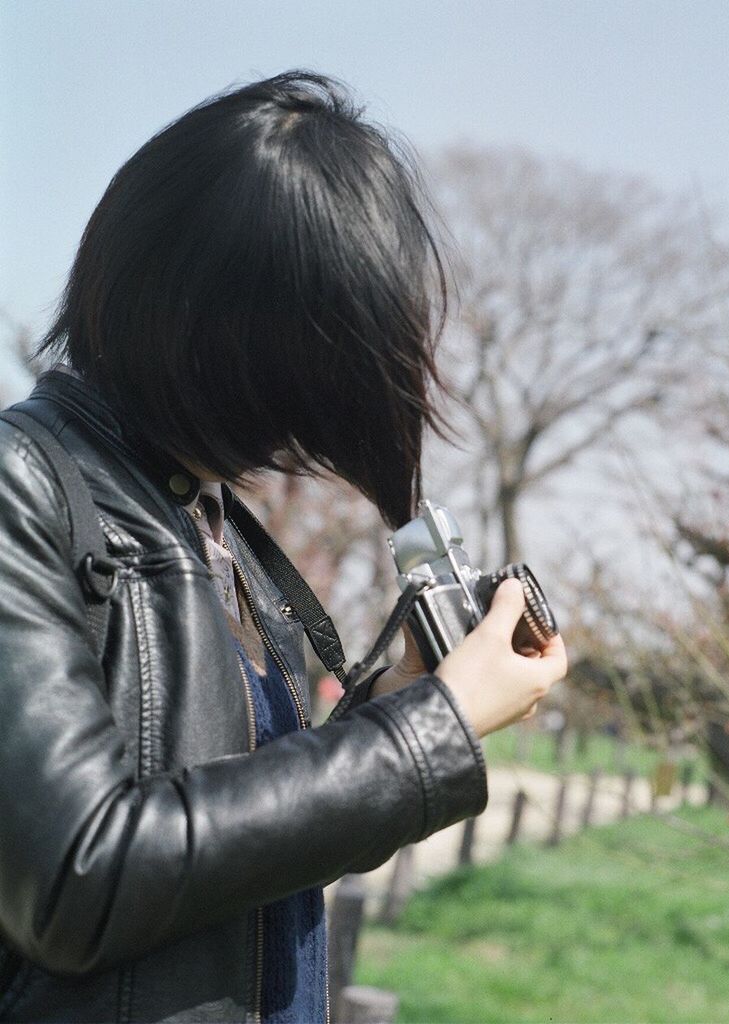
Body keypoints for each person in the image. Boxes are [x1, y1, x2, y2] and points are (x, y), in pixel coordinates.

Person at [0, 71, 567, 1023]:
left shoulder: (217, 527)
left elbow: (240, 841)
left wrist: (400, 711)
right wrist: (428, 735)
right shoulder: (24, 487)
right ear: (226, 329)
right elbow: (73, 882)